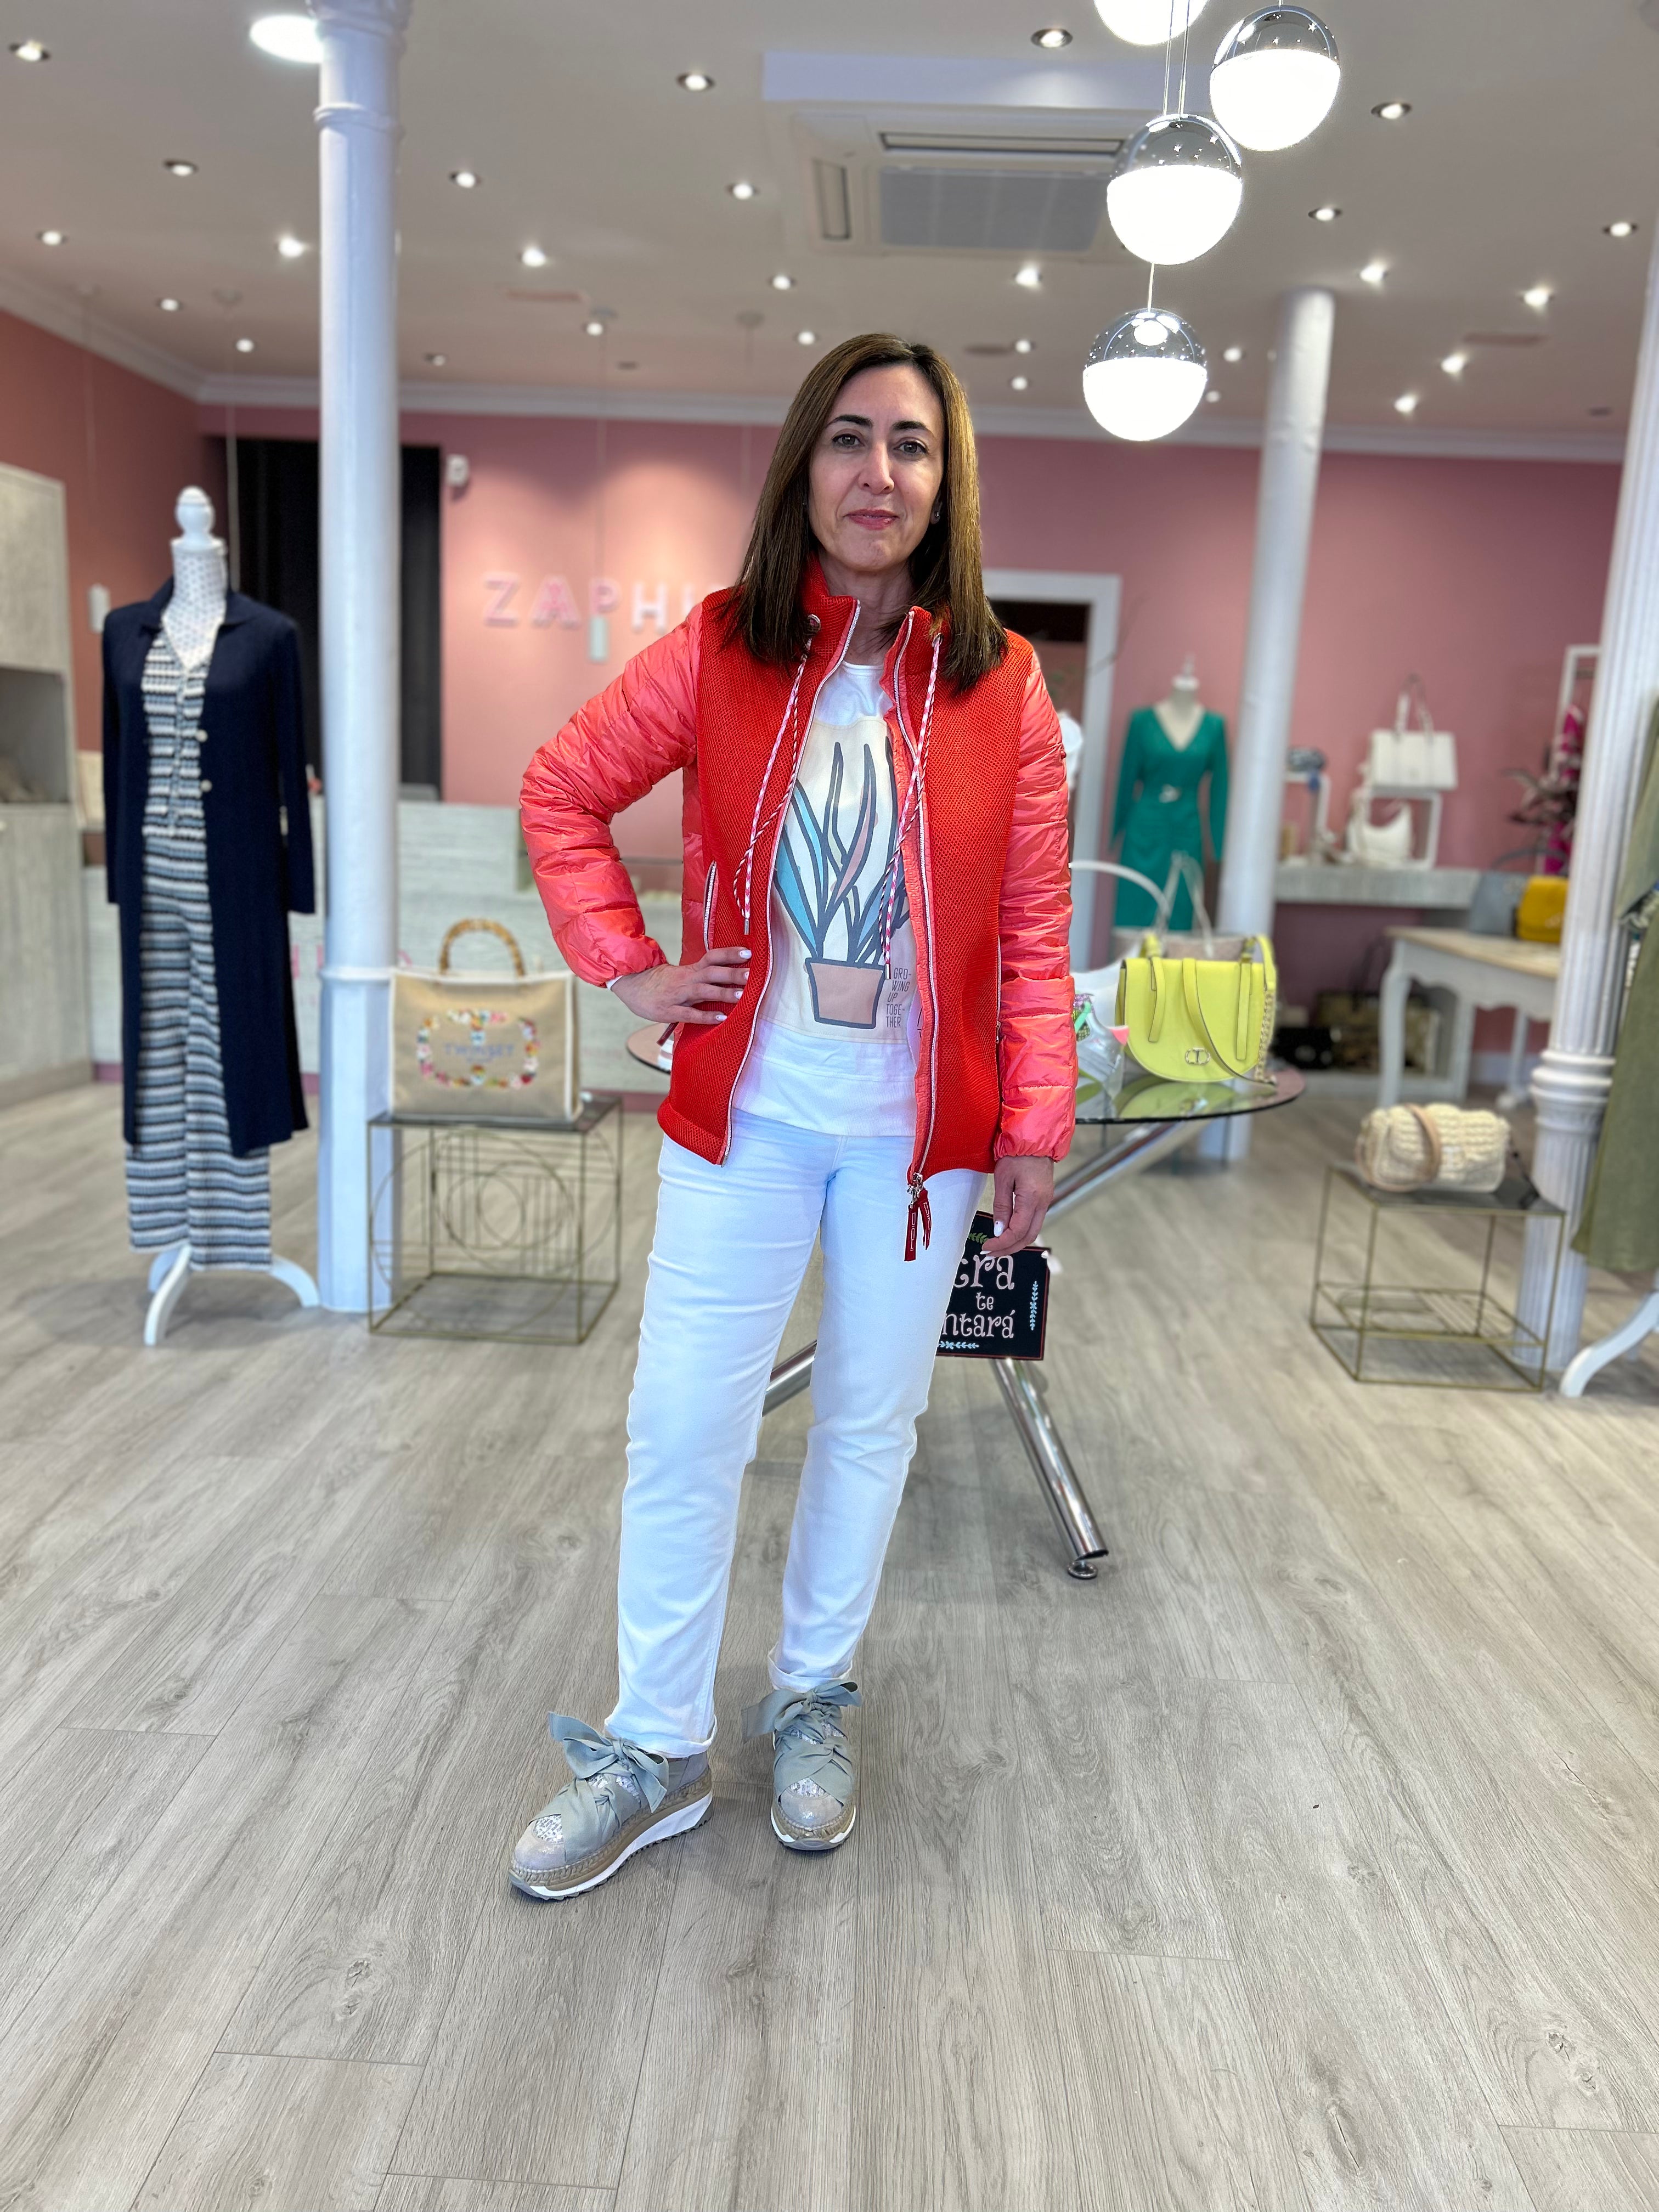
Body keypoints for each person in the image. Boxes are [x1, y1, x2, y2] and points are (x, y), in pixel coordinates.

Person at [511, 331, 1075, 1899]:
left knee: (871, 1425)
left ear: (947, 481)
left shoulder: (1006, 687)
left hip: (918, 1143)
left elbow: (1032, 927)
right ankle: (657, 1746)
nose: (878, 472)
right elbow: (562, 789)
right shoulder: (722, 648)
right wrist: (630, 966)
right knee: (685, 1423)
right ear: (802, 466)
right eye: (848, 438)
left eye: (911, 443)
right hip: (746, 1119)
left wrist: (1034, 1121)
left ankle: (814, 1694)